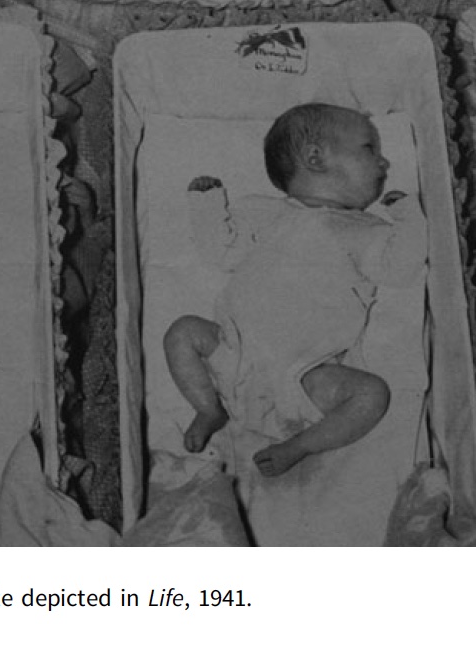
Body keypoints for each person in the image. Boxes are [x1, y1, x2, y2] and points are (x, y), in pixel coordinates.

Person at [164, 103, 425, 477]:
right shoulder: (263, 212)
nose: (384, 164)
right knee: (182, 332)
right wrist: (207, 208)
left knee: (372, 395)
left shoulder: (364, 230)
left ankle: (300, 446)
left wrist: (410, 218)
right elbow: (220, 250)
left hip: (304, 375)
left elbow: (400, 269)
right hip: (234, 354)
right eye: (370, 149)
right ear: (315, 158)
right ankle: (208, 408)